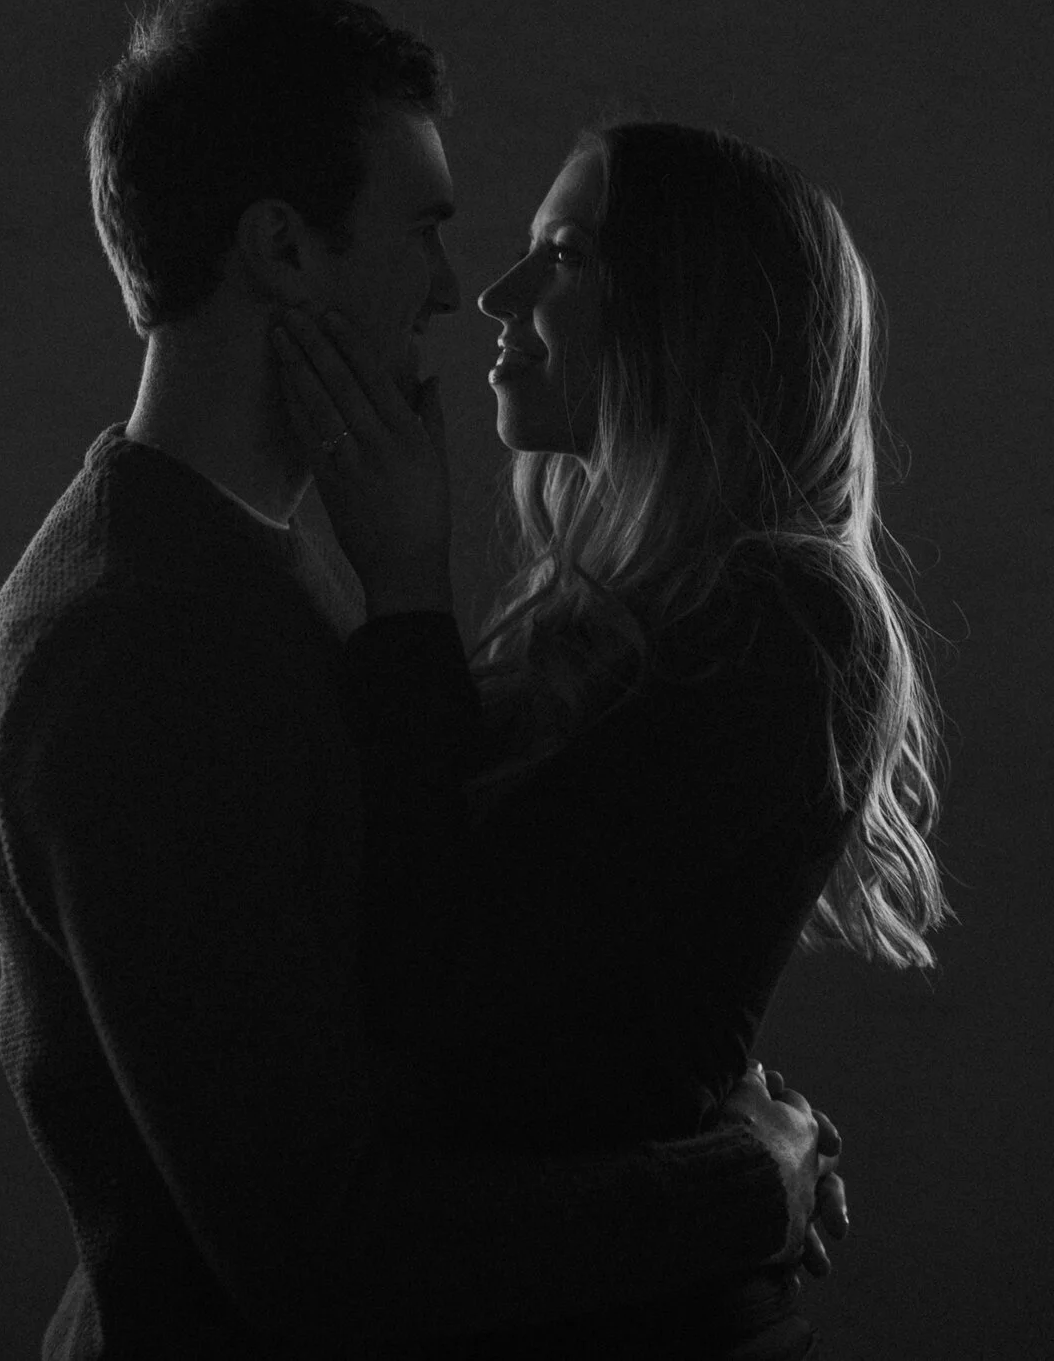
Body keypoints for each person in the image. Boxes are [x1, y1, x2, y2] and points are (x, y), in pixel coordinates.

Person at [0, 0, 844, 1360]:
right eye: (424, 227)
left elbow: (451, 991)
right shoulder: (140, 642)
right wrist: (742, 1184)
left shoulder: (256, 569)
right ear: (283, 249)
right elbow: (328, 1251)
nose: (453, 287)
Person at [271, 120, 948, 1360]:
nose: (498, 293)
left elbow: (438, 973)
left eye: (566, 254)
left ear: (691, 319)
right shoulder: (626, 611)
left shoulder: (786, 616)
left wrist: (406, 587)